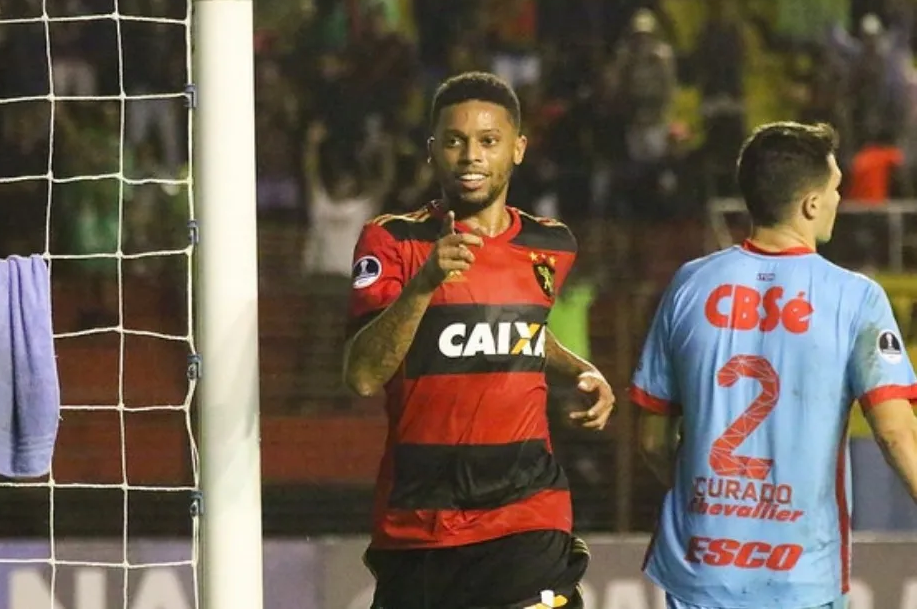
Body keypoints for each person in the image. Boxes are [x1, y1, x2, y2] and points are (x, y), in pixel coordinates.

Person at [343, 71, 616, 609]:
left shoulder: (552, 244)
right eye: (455, 141)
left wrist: (578, 368)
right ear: (431, 152)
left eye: (488, 141)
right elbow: (362, 374)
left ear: (517, 149)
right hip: (421, 523)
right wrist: (423, 286)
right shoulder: (394, 239)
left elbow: (517, 328)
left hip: (527, 515)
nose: (471, 155)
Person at [631, 121, 917, 609]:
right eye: (835, 190)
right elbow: (895, 435)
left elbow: (652, 439)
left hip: (700, 570)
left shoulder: (689, 284)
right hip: (800, 579)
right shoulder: (856, 298)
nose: (837, 201)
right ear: (809, 203)